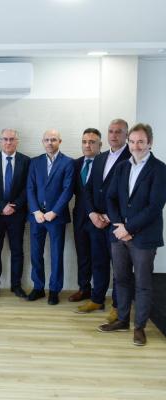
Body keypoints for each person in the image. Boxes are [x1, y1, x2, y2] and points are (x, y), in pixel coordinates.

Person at [98, 123, 166, 346]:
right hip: (119, 234)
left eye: (141, 142)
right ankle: (122, 320)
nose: (136, 146)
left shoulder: (159, 169)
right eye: (133, 141)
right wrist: (119, 224)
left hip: (143, 237)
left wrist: (129, 228)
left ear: (150, 143)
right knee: (121, 279)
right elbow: (110, 198)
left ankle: (139, 328)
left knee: (143, 283)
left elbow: (154, 206)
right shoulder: (122, 167)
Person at [79, 119, 130, 320]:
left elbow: (129, 193)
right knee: (98, 262)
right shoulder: (100, 158)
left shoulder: (131, 157)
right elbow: (88, 189)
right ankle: (97, 299)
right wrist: (92, 213)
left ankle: (118, 306)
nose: (114, 135)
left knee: (119, 267)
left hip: (117, 223)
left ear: (126, 135)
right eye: (111, 131)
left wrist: (110, 216)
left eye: (118, 131)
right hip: (96, 222)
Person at [26, 129, 74, 305]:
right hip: (37, 217)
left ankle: (54, 290)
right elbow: (30, 188)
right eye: (46, 140)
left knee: (56, 254)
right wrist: (36, 211)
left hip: (56, 217)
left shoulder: (68, 162)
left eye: (53, 139)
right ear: (42, 142)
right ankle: (38, 287)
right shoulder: (35, 162)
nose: (50, 143)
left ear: (60, 141)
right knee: (36, 254)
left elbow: (68, 190)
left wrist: (54, 212)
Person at [0, 128, 30, 298]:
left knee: (17, 251)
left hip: (17, 215)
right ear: (0, 141)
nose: (8, 142)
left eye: (12, 139)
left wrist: (14, 206)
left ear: (17, 141)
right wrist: (1, 206)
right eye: (5, 139)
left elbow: (28, 187)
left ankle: (16, 286)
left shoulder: (26, 161)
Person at [70, 128, 102, 311]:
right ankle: (84, 289)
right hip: (79, 216)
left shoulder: (105, 162)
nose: (87, 145)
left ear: (100, 145)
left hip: (98, 217)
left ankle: (98, 294)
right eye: (84, 142)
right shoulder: (75, 164)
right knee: (82, 254)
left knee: (98, 256)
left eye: (92, 142)